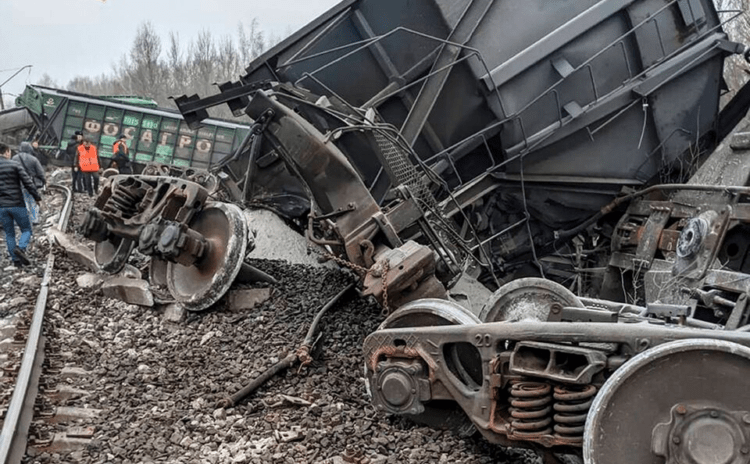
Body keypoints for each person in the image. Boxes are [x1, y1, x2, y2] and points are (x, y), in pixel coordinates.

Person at [0, 143, 43, 268]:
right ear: (7, 151)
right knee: (26, 229)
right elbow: (28, 182)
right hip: (17, 204)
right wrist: (37, 198)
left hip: (2, 207)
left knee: (9, 233)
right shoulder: (14, 165)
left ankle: (16, 261)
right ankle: (21, 248)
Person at [12, 142, 45, 225]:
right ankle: (34, 219)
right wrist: (43, 181)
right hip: (31, 183)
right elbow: (40, 172)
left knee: (21, 201)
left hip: (18, 183)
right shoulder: (33, 159)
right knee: (33, 201)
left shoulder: (14, 158)